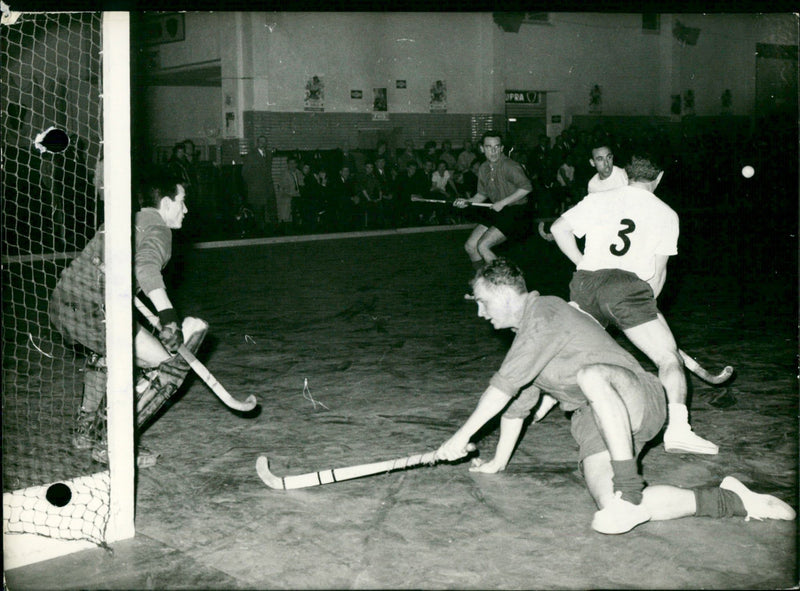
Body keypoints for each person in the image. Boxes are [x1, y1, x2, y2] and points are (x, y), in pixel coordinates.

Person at [436, 258, 795, 534]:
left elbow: (501, 389)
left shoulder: (544, 312)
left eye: (482, 302)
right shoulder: (528, 340)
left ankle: (628, 488)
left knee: (590, 375)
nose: (480, 313)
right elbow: (516, 408)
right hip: (593, 421)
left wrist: (459, 438)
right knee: (609, 505)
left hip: (637, 397)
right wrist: (498, 462)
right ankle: (730, 499)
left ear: (502, 294)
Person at [549, 154, 717, 455]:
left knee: (566, 346)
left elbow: (558, 229)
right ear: (659, 177)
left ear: (626, 175)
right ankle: (679, 430)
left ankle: (540, 402)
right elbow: (658, 273)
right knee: (667, 358)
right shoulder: (666, 214)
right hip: (627, 288)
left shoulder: (599, 198)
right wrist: (645, 309)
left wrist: (583, 263)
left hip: (585, 284)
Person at [49, 175, 208, 468]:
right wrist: (169, 319)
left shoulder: (127, 218)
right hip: (96, 309)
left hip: (63, 303)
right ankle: (114, 441)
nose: (185, 210)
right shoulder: (159, 229)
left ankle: (86, 428)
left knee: (109, 349)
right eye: (182, 202)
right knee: (164, 364)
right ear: (165, 203)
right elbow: (147, 268)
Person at [453, 130, 533, 269]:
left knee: (483, 246)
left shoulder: (510, 166)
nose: (493, 150)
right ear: (482, 148)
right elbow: (481, 195)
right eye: (489, 147)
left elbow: (527, 188)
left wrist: (502, 203)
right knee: (470, 246)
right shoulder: (483, 168)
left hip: (517, 212)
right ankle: (481, 281)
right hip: (499, 210)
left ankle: (502, 284)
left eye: (497, 146)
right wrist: (467, 202)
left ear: (502, 148)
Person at [241, 135, 277, 234]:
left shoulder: (269, 154)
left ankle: (274, 230)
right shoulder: (250, 155)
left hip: (268, 187)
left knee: (272, 208)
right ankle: (261, 231)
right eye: (261, 141)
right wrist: (253, 184)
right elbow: (245, 173)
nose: (263, 144)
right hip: (256, 188)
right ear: (257, 143)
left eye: (265, 142)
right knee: (258, 210)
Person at [277, 156, 301, 233]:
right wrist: (291, 194)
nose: (292, 165)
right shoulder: (284, 174)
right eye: (290, 163)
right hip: (288, 196)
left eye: (294, 163)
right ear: (287, 164)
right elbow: (282, 188)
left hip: (298, 196)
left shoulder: (299, 173)